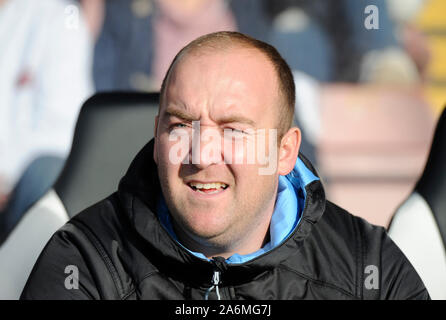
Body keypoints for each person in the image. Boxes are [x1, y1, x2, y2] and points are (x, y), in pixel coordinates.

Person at [21, 32, 429, 300]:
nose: (203, 154)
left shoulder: (366, 267)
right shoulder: (85, 262)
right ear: (157, 137)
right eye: (180, 125)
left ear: (284, 151)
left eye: (233, 130)